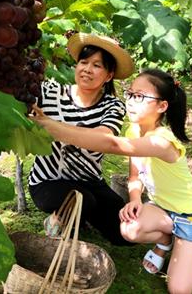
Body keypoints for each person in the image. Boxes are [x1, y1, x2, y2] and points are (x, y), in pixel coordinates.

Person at [31, 69, 192, 294]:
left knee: (178, 290)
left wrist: (49, 125)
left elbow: (112, 144)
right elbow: (135, 176)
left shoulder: (162, 142)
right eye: (130, 94)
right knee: (129, 230)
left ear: (162, 106)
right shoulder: (135, 130)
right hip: (162, 210)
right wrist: (135, 199)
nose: (131, 101)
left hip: (191, 216)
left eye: (140, 96)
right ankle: (166, 241)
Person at [28, 32, 135, 246]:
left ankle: (81, 216)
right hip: (48, 180)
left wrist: (51, 125)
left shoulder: (112, 106)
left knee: (125, 234)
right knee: (83, 200)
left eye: (97, 65)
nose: (87, 69)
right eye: (83, 62)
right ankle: (57, 221)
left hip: (89, 181)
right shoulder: (50, 91)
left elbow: (103, 137)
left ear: (108, 75)